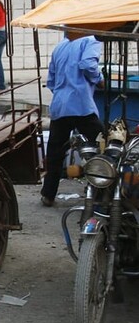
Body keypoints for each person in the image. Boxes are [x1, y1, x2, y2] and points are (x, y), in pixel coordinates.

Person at [40, 29, 104, 207]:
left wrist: (63, 92)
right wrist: (99, 79)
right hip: (81, 105)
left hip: (60, 105)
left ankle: (48, 194)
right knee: (102, 146)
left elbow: (51, 81)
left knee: (55, 153)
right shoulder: (91, 40)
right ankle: (101, 191)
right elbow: (87, 65)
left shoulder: (60, 46)